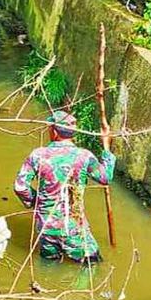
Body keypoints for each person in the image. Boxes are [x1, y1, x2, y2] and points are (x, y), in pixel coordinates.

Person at [14, 110, 116, 263]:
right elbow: (105, 178)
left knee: (49, 264)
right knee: (92, 264)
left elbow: (20, 187)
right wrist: (106, 149)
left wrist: (37, 202)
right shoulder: (84, 156)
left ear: (54, 132)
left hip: (45, 226)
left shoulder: (37, 155)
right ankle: (85, 285)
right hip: (72, 226)